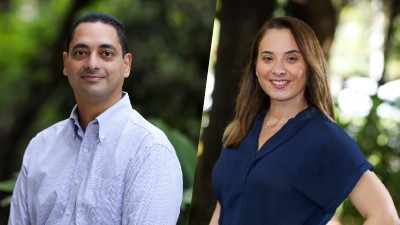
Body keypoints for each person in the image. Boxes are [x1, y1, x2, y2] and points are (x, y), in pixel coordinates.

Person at [210, 16, 400, 225]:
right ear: (256, 67)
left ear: (309, 66)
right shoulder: (242, 129)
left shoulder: (324, 137)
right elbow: (223, 209)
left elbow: (386, 217)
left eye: (291, 58)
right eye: (268, 58)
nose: (278, 68)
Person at [8, 12, 182, 225]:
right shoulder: (40, 146)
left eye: (106, 54)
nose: (91, 63)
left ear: (126, 64)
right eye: (80, 52)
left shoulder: (149, 150)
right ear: (66, 62)